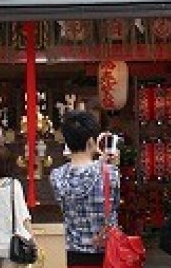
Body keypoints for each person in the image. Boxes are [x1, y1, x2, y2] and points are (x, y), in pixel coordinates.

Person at [50, 110, 119, 267]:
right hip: (106, 254)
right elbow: (113, 208)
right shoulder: (109, 173)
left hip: (74, 253)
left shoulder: (56, 176)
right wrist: (109, 165)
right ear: (90, 141)